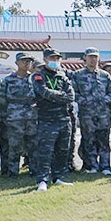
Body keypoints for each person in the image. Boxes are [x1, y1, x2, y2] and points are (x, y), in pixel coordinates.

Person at [31, 48, 75, 191]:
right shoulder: (38, 75)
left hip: (64, 119)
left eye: (57, 58)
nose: (55, 61)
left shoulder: (62, 76)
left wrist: (54, 96)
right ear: (45, 59)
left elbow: (71, 96)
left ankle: (58, 177)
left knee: (62, 150)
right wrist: (60, 96)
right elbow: (43, 92)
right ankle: (42, 180)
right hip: (47, 120)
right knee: (45, 151)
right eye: (52, 58)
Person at [71, 47, 111, 176]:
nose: (93, 59)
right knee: (88, 140)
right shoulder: (78, 75)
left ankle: (105, 166)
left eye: (95, 57)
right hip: (87, 114)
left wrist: (106, 99)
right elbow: (73, 92)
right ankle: (92, 166)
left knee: (104, 140)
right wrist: (84, 100)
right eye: (90, 57)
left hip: (103, 114)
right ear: (85, 58)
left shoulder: (104, 75)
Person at [0, 53, 38, 177]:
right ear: (17, 63)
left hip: (32, 117)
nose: (27, 63)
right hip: (14, 118)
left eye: (29, 61)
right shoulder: (9, 79)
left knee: (33, 145)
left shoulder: (35, 79)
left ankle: (34, 170)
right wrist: (5, 116)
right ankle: (13, 172)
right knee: (14, 146)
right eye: (24, 61)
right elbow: (1, 99)